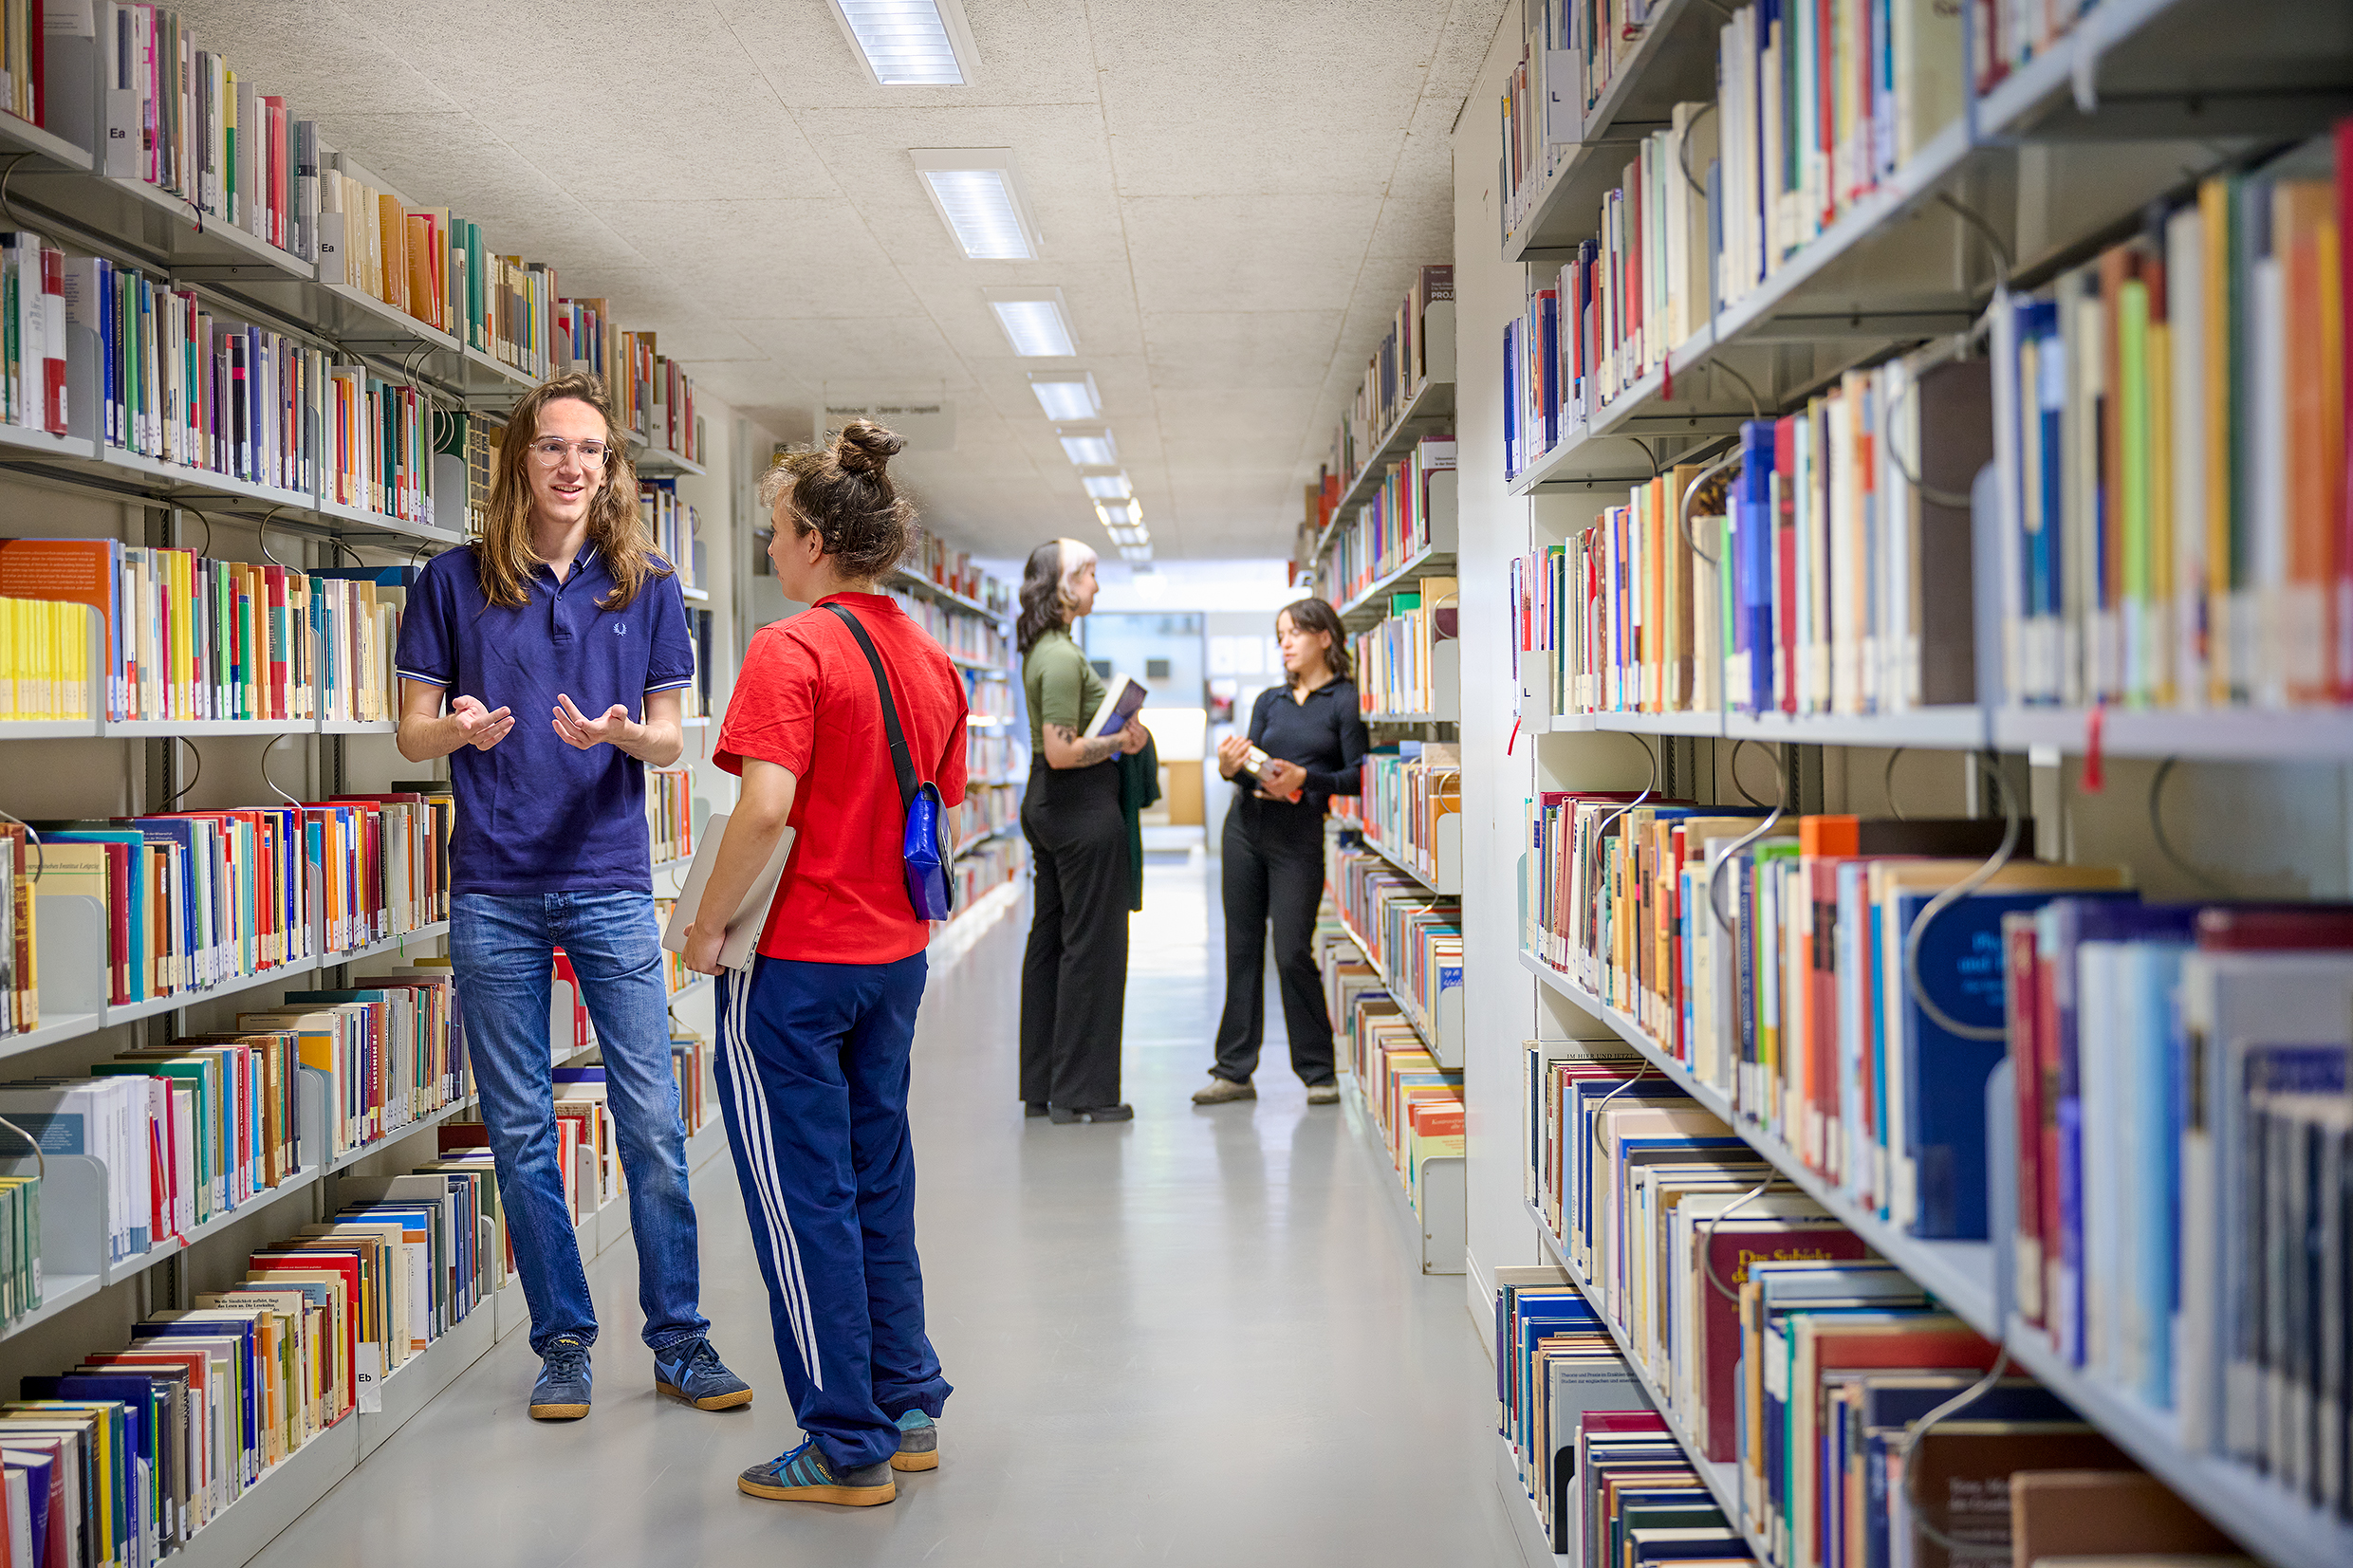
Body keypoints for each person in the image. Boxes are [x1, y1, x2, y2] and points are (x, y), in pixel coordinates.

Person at [393, 373, 750, 1422]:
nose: (572, 466)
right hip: (494, 889)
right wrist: (453, 727)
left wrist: (618, 735)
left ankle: (679, 1339)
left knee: (648, 1119)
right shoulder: (450, 582)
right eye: (553, 447)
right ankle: (562, 1344)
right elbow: (410, 731)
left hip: (606, 879)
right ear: (520, 460)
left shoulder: (645, 586)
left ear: (609, 471)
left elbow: (670, 735)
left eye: (591, 451)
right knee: (518, 1126)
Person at [680, 419, 966, 1508]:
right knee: (877, 1177)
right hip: (892, 957)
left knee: (804, 1201)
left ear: (809, 540)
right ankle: (906, 1405)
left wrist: (707, 928)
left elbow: (764, 808)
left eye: (772, 534)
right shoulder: (931, 658)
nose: (769, 551)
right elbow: (932, 797)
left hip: (792, 965)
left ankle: (845, 1448)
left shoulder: (789, 650)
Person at [1194, 598, 1368, 1106]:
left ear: (1325, 638)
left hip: (1298, 835)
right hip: (1245, 827)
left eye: (1294, 633)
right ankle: (1233, 1070)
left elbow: (1359, 774)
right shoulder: (1270, 700)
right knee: (1241, 945)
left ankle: (1318, 1071)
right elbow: (1248, 762)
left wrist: (1306, 778)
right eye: (1280, 635)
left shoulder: (1344, 700)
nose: (1285, 644)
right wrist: (1231, 765)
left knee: (1292, 949)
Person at [1015, 539, 1150, 1124]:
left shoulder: (1045, 649)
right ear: (1063, 586)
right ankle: (1085, 1093)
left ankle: (1044, 1087)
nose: (1098, 584)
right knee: (1094, 949)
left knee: (1050, 943)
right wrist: (1122, 740)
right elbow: (1062, 750)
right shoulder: (1064, 658)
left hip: (1048, 808)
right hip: (1080, 811)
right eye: (1089, 574)